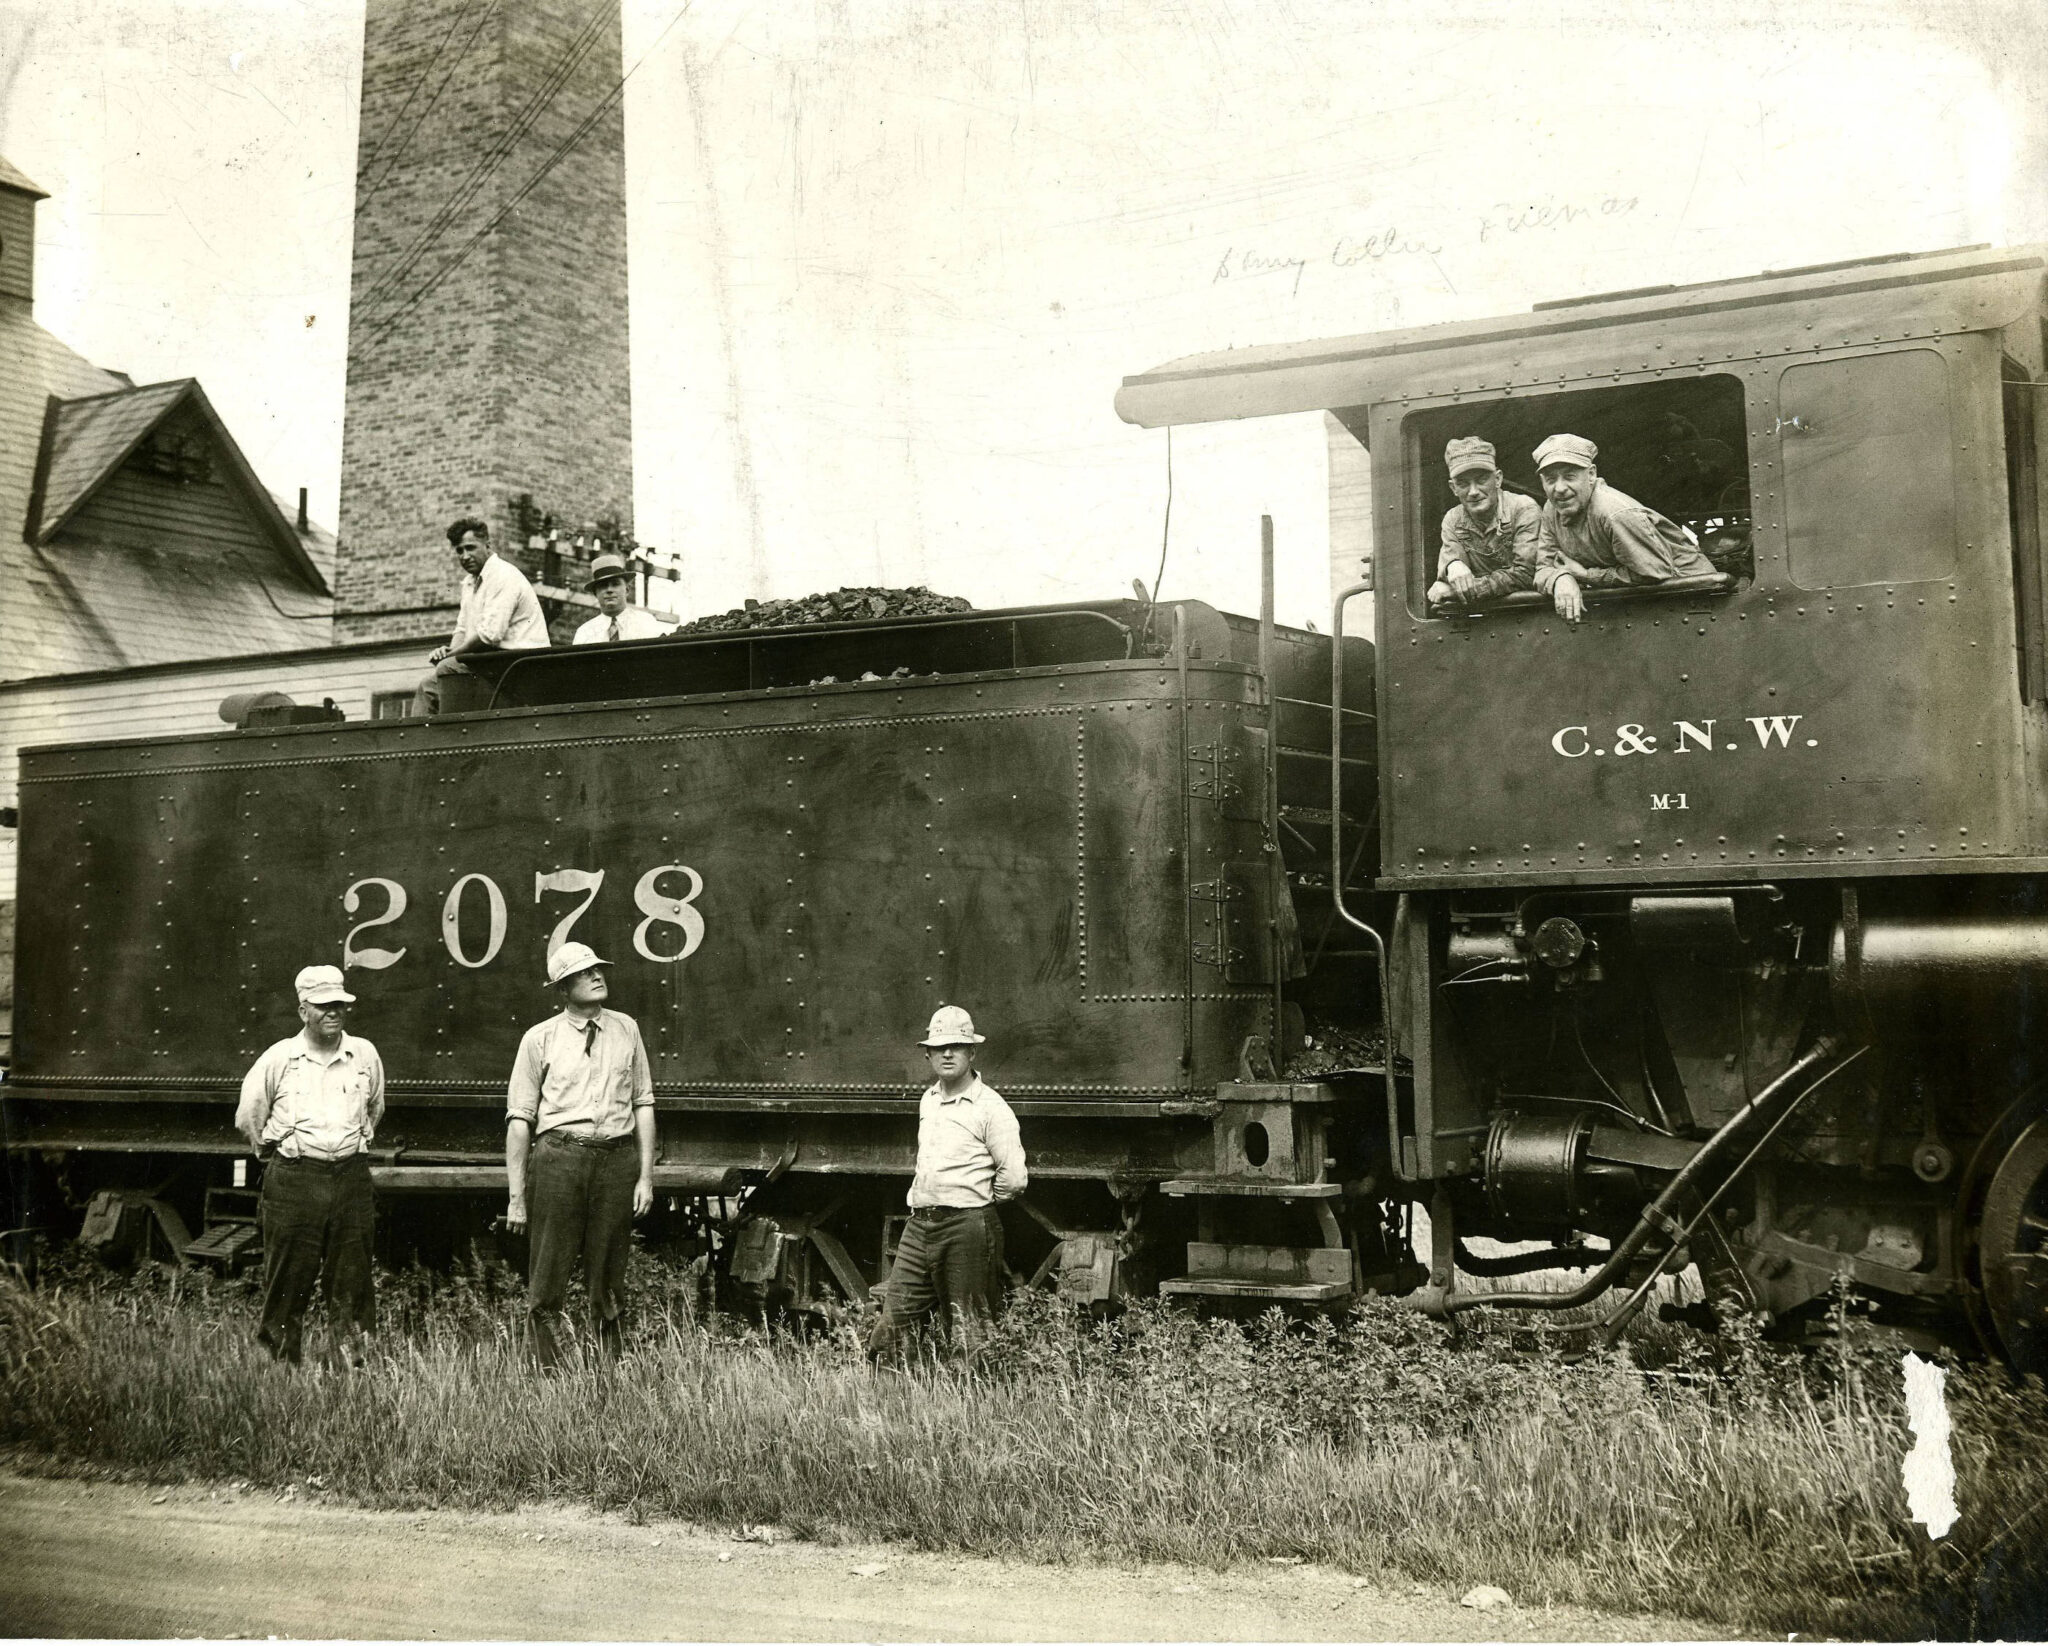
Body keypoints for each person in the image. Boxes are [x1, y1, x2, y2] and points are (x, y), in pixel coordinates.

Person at [504, 940, 656, 1368]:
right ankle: (543, 1375)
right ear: (562, 988)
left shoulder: (627, 1029)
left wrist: (644, 1177)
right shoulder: (539, 1039)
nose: (596, 975)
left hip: (615, 1161)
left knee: (608, 1279)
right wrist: (517, 1196)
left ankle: (607, 1374)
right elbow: (520, 1120)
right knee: (548, 1276)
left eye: (598, 968)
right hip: (559, 1159)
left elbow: (643, 1103)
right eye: (584, 972)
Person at [235, 965, 385, 1366]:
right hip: (295, 1178)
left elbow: (374, 1109)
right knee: (288, 1278)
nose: (333, 1012)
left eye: (339, 1004)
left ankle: (353, 1367)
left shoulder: (364, 1055)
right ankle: (281, 1366)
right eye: (322, 1006)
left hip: (351, 1177)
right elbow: (250, 1116)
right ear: (303, 1011)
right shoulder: (279, 1058)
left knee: (352, 1277)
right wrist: (275, 1152)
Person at [867, 1006, 1026, 1360]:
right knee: (890, 1330)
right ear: (928, 1054)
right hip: (919, 1227)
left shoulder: (991, 1107)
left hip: (966, 1227)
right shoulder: (929, 1100)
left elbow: (1014, 1179)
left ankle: (975, 1409)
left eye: (957, 1046)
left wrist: (975, 1202)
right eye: (940, 1047)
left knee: (970, 1336)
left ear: (972, 1052)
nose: (948, 1053)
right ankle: (890, 1406)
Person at [1530, 434, 1719, 622]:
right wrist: (1560, 578)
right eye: (1550, 479)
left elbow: (1654, 572)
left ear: (1591, 475)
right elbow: (1543, 566)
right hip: (1642, 600)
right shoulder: (1551, 508)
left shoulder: (1615, 513)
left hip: (1696, 599)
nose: (1560, 488)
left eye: (1570, 476)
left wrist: (1586, 575)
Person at [413, 517, 551, 714]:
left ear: (487, 545)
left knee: (448, 670)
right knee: (428, 686)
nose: (465, 556)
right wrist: (449, 650)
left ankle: (457, 738)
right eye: (459, 550)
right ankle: (423, 744)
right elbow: (462, 629)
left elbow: (489, 636)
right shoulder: (469, 583)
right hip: (491, 663)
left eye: (470, 548)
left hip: (521, 664)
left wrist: (453, 656)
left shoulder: (503, 575)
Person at [1425, 436, 1541, 612]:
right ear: (1453, 488)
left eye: (1481, 480)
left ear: (1498, 479)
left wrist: (1457, 591)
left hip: (1532, 613)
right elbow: (1448, 570)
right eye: (1463, 484)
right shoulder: (1453, 519)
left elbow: (1526, 574)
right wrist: (1452, 565)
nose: (1473, 492)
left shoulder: (1523, 509)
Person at [572, 551, 674, 644]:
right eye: (603, 586)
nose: (609, 590)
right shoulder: (584, 632)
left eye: (615, 584)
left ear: (627, 590)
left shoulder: (645, 622)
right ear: (596, 593)